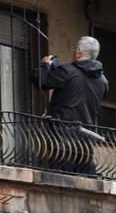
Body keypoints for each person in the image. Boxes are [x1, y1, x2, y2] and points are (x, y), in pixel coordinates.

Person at [36, 36, 109, 174]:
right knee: (83, 184)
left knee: (60, 180)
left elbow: (41, 81)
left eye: (75, 48)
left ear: (79, 51)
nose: (74, 51)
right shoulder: (103, 81)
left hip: (62, 138)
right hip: (86, 141)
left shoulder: (68, 71)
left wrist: (45, 65)